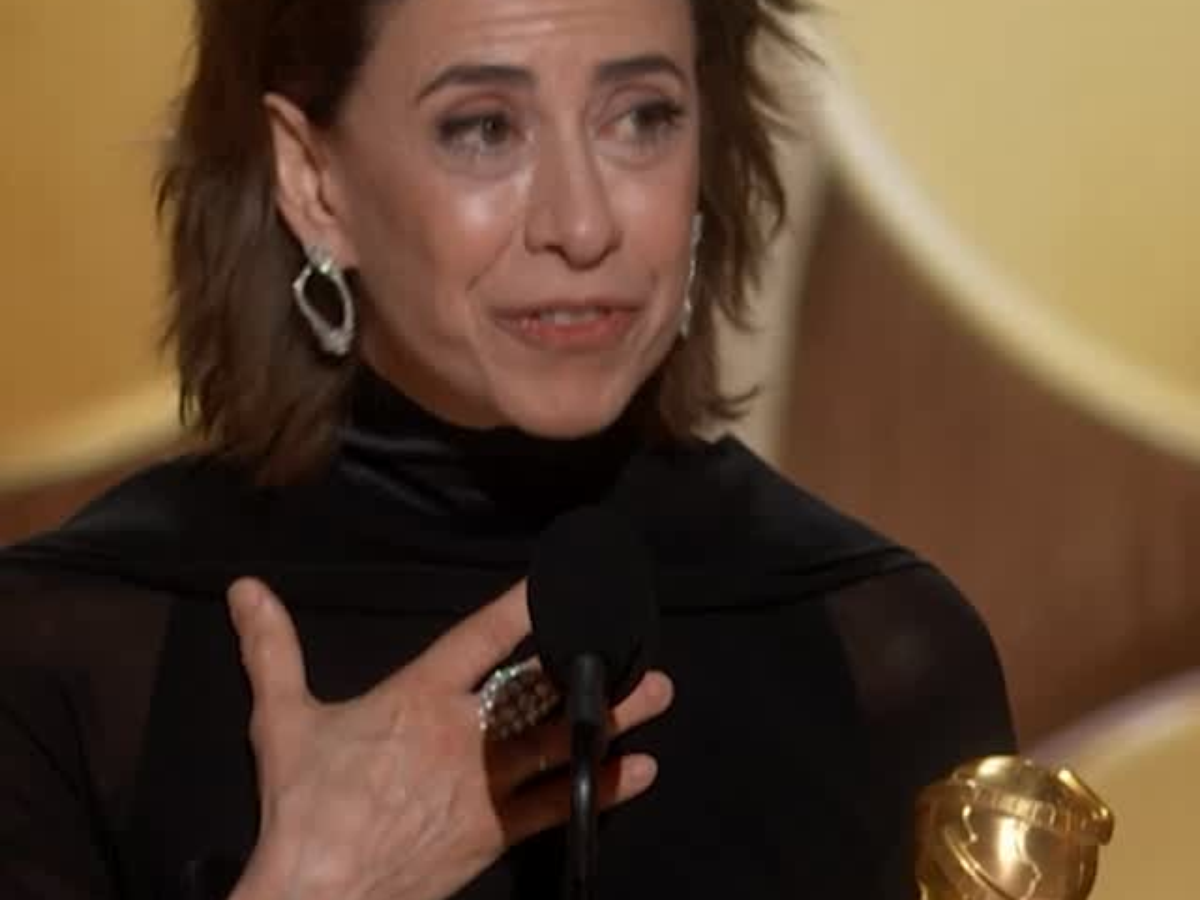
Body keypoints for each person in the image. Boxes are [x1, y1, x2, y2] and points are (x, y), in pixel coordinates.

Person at [0, 0, 1015, 897]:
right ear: (313, 181)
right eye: (484, 129)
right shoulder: (74, 658)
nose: (583, 224)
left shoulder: (886, 651)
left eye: (641, 118)